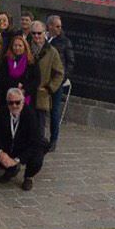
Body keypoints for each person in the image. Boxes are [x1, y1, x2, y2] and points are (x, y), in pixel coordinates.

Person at [0, 87, 45, 191]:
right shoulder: (2, 113)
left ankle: (29, 177)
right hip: (10, 145)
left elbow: (35, 142)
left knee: (38, 155)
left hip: (25, 147)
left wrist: (17, 160)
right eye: (10, 103)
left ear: (23, 102)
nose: (14, 106)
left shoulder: (31, 115)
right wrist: (0, 152)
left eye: (17, 102)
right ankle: (11, 170)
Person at [28, 21, 64, 143]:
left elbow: (59, 73)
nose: (36, 36)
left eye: (39, 33)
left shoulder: (52, 52)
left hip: (41, 95)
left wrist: (49, 88)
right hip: (26, 93)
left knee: (39, 127)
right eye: (33, 33)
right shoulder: (25, 47)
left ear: (44, 33)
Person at [45, 14, 74, 151]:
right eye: (57, 26)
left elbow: (70, 63)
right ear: (49, 26)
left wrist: (61, 79)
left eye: (60, 26)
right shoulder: (43, 38)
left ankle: (53, 139)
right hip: (42, 81)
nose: (59, 29)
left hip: (57, 82)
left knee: (54, 111)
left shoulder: (65, 42)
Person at [0, 33, 40, 111]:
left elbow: (36, 80)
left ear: (25, 47)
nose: (17, 48)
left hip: (26, 97)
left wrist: (24, 89)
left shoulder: (31, 61)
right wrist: (16, 85)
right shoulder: (6, 60)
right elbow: (2, 78)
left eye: (20, 46)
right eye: (15, 45)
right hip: (7, 96)